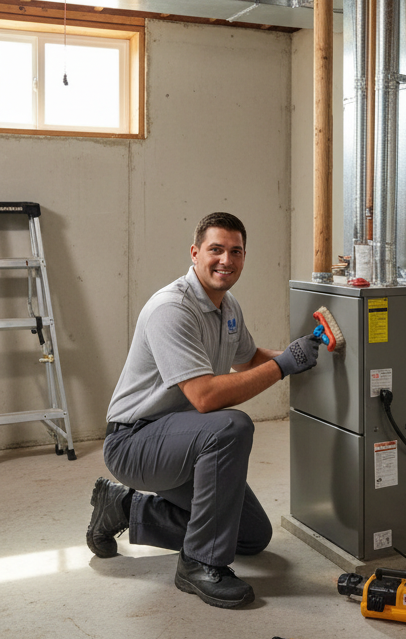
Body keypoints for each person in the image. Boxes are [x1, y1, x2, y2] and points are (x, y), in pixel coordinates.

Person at [85, 212, 322, 609]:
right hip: (135, 442)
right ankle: (199, 563)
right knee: (230, 427)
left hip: (184, 440)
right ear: (195, 253)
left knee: (251, 535)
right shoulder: (172, 309)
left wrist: (300, 356)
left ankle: (123, 506)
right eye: (216, 250)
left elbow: (248, 359)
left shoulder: (227, 308)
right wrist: (284, 366)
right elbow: (205, 398)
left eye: (236, 251)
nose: (226, 260)